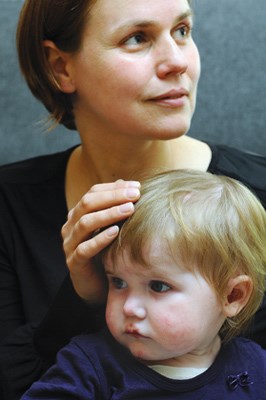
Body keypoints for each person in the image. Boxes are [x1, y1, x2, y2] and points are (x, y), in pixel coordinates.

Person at [0, 0, 265, 398]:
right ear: (60, 66)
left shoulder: (258, 193)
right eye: (137, 38)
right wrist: (80, 298)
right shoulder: (8, 205)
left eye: (182, 31)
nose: (177, 62)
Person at [21, 169, 266, 399]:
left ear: (233, 295)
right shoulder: (88, 365)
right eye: (118, 282)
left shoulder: (255, 367)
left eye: (158, 286)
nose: (129, 308)